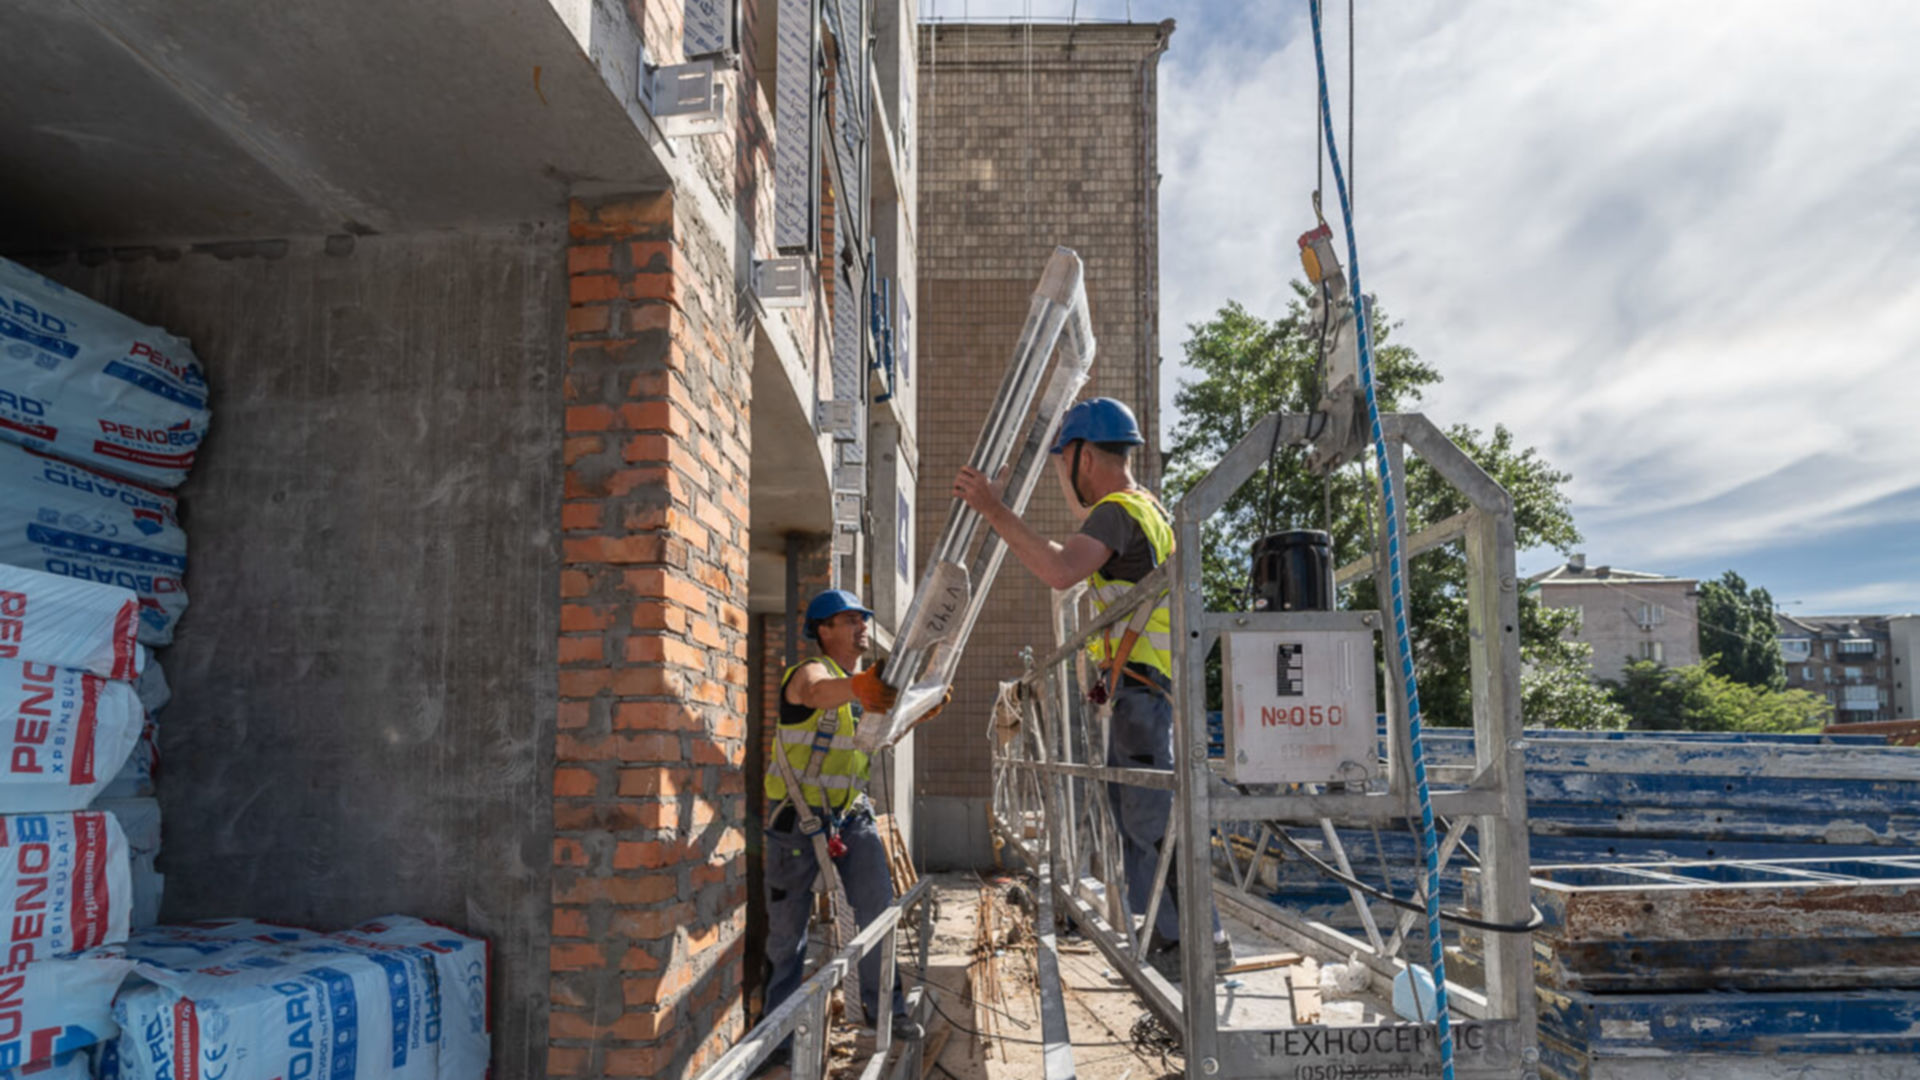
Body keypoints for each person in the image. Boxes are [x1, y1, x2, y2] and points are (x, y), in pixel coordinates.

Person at [953, 397, 1228, 983]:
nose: (1060, 477)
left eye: (1060, 463)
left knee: (1149, 819)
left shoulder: (1114, 511)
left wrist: (993, 510)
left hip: (1145, 692)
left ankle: (1185, 945)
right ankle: (1179, 938)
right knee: (1144, 814)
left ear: (1083, 457)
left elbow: (1059, 570)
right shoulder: (1150, 507)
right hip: (1148, 686)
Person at [760, 589, 923, 1069]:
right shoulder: (812, 675)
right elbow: (813, 693)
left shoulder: (861, 689)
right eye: (849, 619)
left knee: (877, 913)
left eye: (862, 619)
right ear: (823, 630)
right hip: (796, 822)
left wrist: (914, 712)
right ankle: (779, 1035)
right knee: (786, 936)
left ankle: (885, 1008)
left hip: (849, 818)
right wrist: (860, 688)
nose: (861, 626)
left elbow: (877, 735)